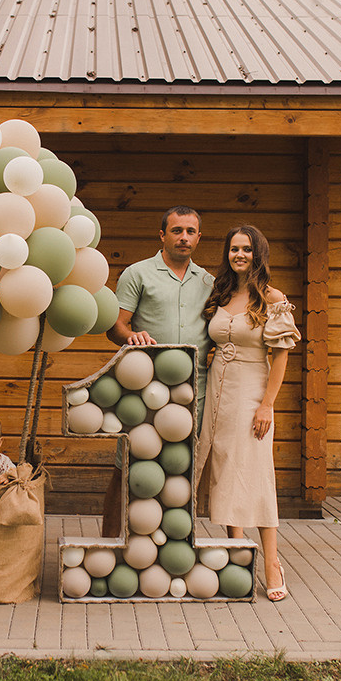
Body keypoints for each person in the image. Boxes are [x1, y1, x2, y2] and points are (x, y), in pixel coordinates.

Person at [194, 225, 301, 601]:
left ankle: (272, 562)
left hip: (251, 393)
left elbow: (281, 355)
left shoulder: (272, 298)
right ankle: (238, 554)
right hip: (218, 393)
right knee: (224, 470)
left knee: (255, 473)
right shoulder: (221, 293)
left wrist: (267, 404)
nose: (240, 255)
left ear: (258, 254)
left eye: (247, 249)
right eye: (234, 249)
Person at [103, 206, 213, 534]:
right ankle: (108, 543)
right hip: (145, 387)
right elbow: (115, 326)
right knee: (127, 466)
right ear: (162, 235)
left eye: (190, 231)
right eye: (177, 231)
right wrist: (130, 336)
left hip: (194, 390)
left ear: (199, 237)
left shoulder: (208, 282)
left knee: (180, 469)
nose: (184, 238)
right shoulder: (137, 274)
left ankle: (166, 545)